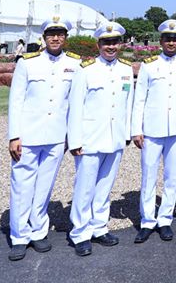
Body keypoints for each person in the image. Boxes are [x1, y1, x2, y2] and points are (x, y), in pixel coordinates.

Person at [6, 16, 82, 261]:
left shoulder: (75, 64)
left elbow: (74, 104)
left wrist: (72, 136)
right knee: (22, 185)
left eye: (60, 34)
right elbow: (15, 101)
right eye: (51, 34)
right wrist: (14, 135)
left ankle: (38, 231)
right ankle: (19, 236)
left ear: (66, 37)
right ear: (44, 37)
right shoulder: (28, 63)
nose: (56, 38)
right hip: (28, 134)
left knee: (44, 186)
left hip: (56, 136)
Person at [67, 21, 134, 256]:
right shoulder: (85, 69)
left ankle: (99, 227)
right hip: (89, 139)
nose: (111, 46)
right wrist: (74, 141)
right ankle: (81, 233)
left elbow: (128, 104)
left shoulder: (125, 69)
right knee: (85, 187)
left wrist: (126, 134)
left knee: (105, 186)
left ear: (121, 44)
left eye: (115, 42)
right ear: (98, 44)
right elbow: (75, 107)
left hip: (115, 138)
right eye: (106, 42)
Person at [131, 19, 176, 243]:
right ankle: (148, 220)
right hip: (152, 130)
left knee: (172, 177)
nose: (171, 42)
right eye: (167, 38)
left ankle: (165, 219)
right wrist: (136, 129)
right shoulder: (149, 65)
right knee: (148, 176)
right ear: (161, 41)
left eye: (175, 38)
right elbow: (139, 99)